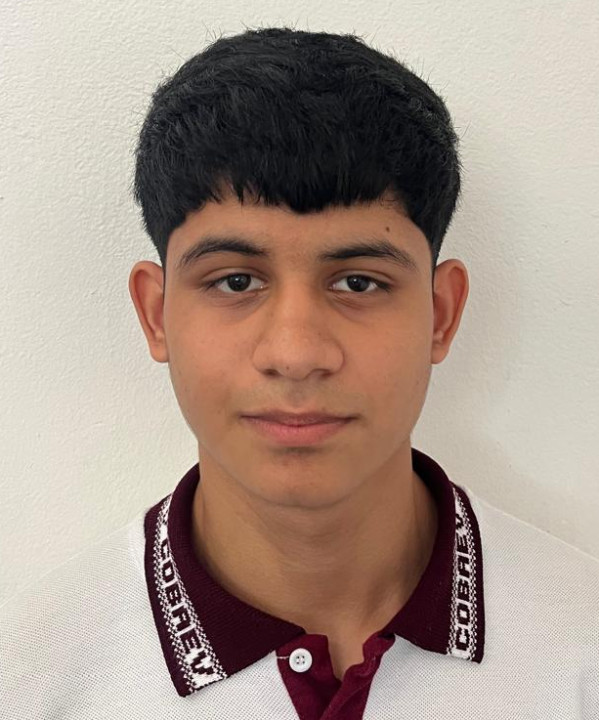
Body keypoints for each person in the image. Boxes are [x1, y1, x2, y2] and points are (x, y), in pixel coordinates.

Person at [1, 26, 598, 720]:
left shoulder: (579, 650)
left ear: (440, 314)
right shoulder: (32, 681)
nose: (296, 353)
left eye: (357, 282)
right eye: (234, 282)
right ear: (156, 314)